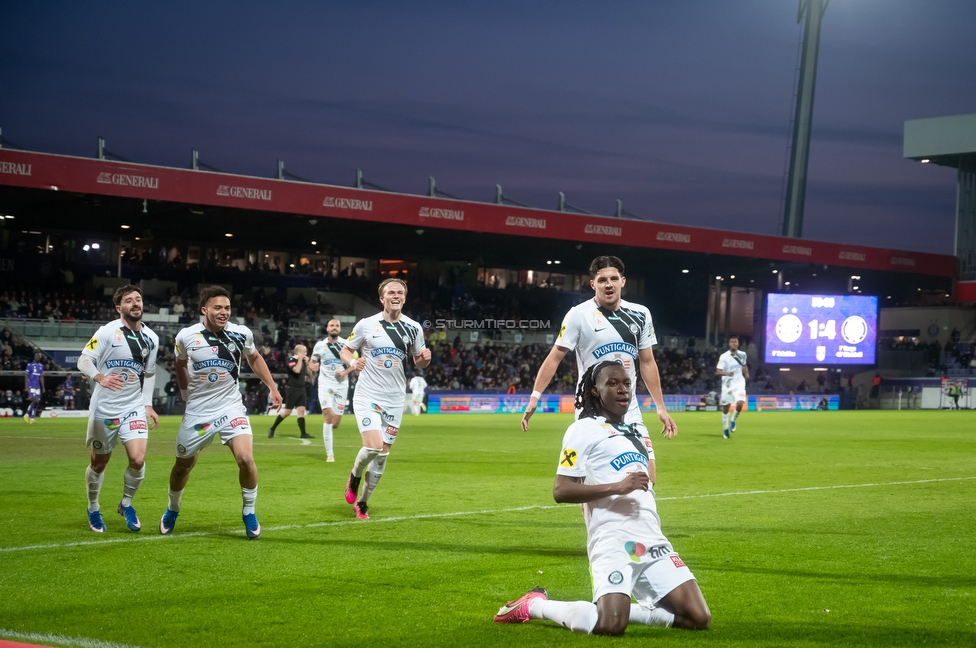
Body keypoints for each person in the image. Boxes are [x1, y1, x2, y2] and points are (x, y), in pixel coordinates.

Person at [495, 362, 710, 635]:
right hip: (612, 538)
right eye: (613, 383)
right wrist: (617, 486)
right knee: (610, 625)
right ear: (595, 391)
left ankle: (616, 608)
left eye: (627, 384)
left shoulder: (637, 433)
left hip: (652, 538)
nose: (623, 390)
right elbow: (561, 490)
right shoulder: (583, 429)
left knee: (698, 617)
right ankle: (534, 605)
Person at [521, 255, 677, 484]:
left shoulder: (641, 314)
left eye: (614, 278)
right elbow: (555, 357)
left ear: (623, 281)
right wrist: (535, 396)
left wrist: (661, 407)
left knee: (648, 478)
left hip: (628, 408)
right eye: (602, 279)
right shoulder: (578, 315)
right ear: (593, 284)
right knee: (592, 479)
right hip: (591, 409)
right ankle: (595, 520)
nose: (609, 284)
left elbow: (647, 362)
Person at [160, 286, 282, 539]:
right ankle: (173, 508)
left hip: (230, 407)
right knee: (183, 466)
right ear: (204, 309)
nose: (224, 312)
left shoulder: (241, 333)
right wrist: (184, 393)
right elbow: (179, 363)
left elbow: (255, 357)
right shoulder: (186, 336)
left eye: (227, 308)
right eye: (218, 308)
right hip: (198, 412)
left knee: (246, 459)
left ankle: (249, 511)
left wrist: (272, 386)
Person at [340, 279, 430, 519]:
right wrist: (352, 362)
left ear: (405, 298)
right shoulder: (366, 325)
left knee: (382, 455)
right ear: (382, 298)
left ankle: (363, 502)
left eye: (400, 292)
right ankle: (355, 475)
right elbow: (346, 349)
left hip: (395, 398)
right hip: (367, 394)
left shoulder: (414, 328)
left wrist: (426, 358)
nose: (396, 295)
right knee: (373, 446)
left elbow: (419, 361)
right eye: (391, 292)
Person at [76, 285, 160, 533]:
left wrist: (147, 404)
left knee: (138, 458)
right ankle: (93, 507)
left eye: (138, 299)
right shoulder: (107, 332)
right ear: (118, 308)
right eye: (128, 301)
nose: (135, 304)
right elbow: (84, 360)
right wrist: (100, 377)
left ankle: (126, 503)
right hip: (105, 408)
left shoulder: (151, 338)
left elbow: (150, 372)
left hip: (133, 407)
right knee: (99, 463)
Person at [310, 319, 355, 462]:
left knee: (335, 423)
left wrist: (345, 372)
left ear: (340, 329)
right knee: (328, 416)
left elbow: (355, 364)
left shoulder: (346, 345)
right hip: (325, 385)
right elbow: (312, 361)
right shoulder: (320, 345)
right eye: (332, 326)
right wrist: (313, 367)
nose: (334, 328)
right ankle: (330, 454)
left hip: (342, 385)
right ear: (327, 328)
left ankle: (330, 449)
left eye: (337, 326)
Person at [267, 344, 314, 439]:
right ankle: (272, 428)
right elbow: (296, 370)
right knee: (287, 412)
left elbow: (309, 374)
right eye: (304, 351)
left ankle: (303, 433)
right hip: (292, 389)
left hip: (301, 389)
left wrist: (308, 363)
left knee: (301, 411)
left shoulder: (303, 361)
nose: (306, 353)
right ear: (299, 352)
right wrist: (300, 359)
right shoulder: (291, 360)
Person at [715, 335, 749, 439]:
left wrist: (746, 374)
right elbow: (718, 371)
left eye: (735, 342)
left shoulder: (743, 354)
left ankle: (733, 420)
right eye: (732, 342)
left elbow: (744, 366)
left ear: (738, 344)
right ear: (729, 344)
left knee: (740, 402)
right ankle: (725, 429)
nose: (734, 343)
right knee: (726, 407)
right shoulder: (724, 356)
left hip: (739, 383)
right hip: (728, 385)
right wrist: (727, 373)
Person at [24, 351, 45, 423]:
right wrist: (26, 386)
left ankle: (32, 418)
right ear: (34, 356)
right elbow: (26, 376)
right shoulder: (30, 365)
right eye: (37, 355)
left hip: (37, 386)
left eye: (39, 356)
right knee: (34, 400)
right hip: (31, 385)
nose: (38, 357)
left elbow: (41, 377)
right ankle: (26, 414)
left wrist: (43, 387)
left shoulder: (41, 366)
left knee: (37, 402)